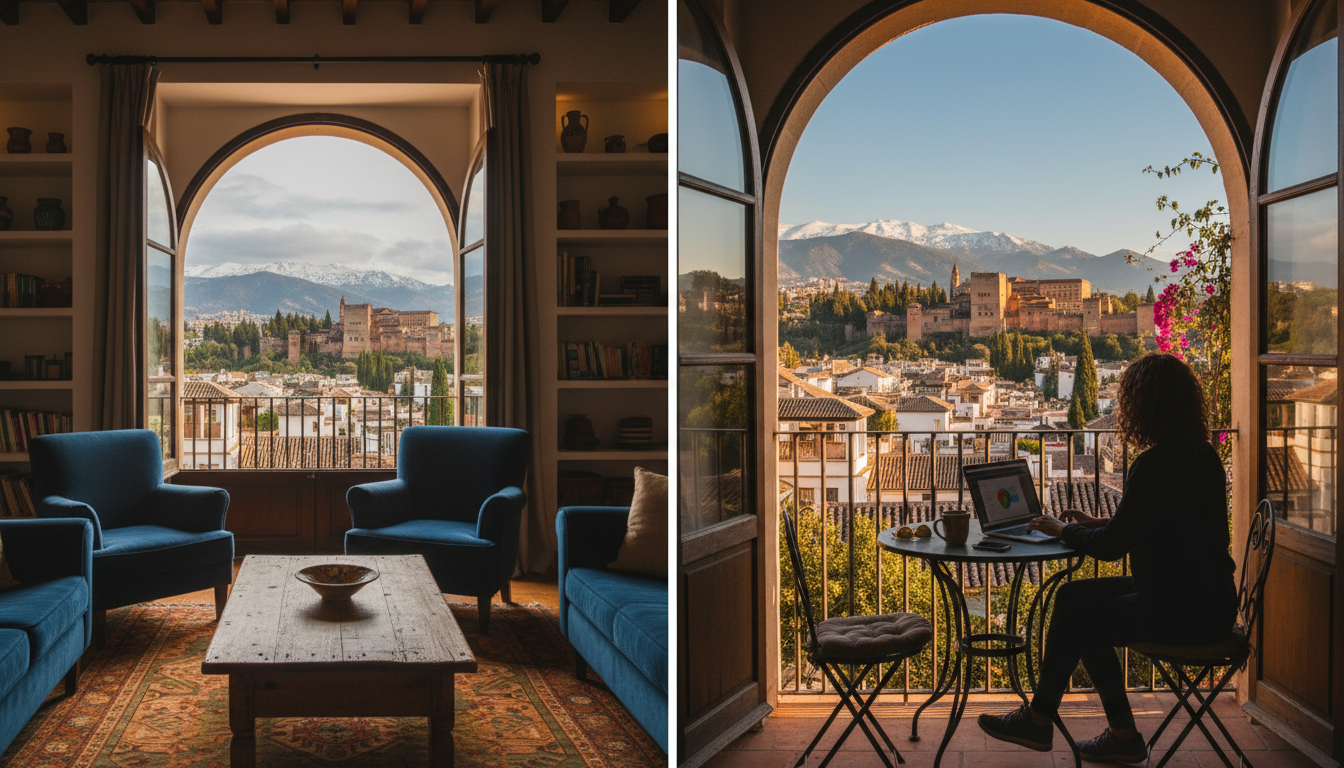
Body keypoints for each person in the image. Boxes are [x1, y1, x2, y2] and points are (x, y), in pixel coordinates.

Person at [977, 353, 1236, 763]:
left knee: (1083, 619)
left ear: (1144, 405)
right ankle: (1055, 722)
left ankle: (1088, 727)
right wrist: (1095, 520)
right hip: (1211, 602)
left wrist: (1064, 530)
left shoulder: (1152, 464)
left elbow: (1114, 547)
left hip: (1178, 610)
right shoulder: (1202, 456)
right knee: (1071, 599)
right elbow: (1152, 522)